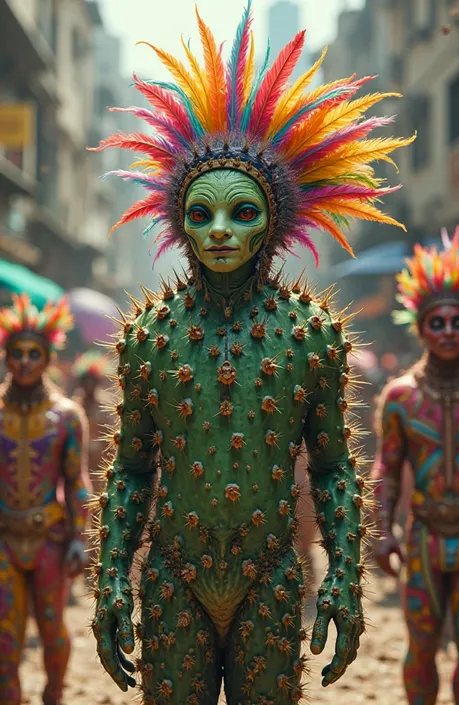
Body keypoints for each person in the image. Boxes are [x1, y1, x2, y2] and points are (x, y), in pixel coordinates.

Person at [89, 4, 413, 702]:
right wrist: (113, 574)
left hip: (270, 576)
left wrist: (344, 583)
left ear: (274, 219)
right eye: (202, 213)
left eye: (243, 212)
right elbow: (132, 469)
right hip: (174, 575)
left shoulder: (311, 335)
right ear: (179, 218)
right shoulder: (150, 338)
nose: (221, 233)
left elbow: (331, 470)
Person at [373, 225, 459, 705]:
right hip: (425, 538)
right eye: (439, 322)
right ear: (421, 327)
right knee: (422, 647)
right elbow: (386, 470)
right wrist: (384, 531)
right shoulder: (401, 399)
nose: (450, 332)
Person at [0, 293, 90, 705]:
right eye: (16, 353)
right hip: (3, 541)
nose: (23, 362)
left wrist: (78, 538)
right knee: (4, 639)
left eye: (32, 354)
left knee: (52, 630)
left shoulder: (67, 416)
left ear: (47, 358)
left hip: (49, 541)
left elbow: (76, 482)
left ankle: (54, 695)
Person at [72, 351, 112, 494]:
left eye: (92, 380)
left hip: (100, 463)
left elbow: (111, 437)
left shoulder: (106, 406)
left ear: (97, 381)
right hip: (79, 463)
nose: (89, 384)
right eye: (85, 380)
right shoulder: (74, 406)